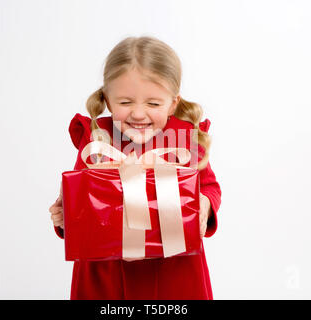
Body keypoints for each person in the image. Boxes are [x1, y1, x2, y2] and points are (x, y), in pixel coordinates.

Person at [49, 36, 222, 299]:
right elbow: (80, 198)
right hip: (105, 273)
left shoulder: (183, 140)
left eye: (153, 104)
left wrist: (205, 204)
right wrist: (66, 215)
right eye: (125, 103)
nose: (138, 114)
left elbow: (209, 186)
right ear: (107, 100)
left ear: (173, 103)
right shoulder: (96, 138)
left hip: (173, 270)